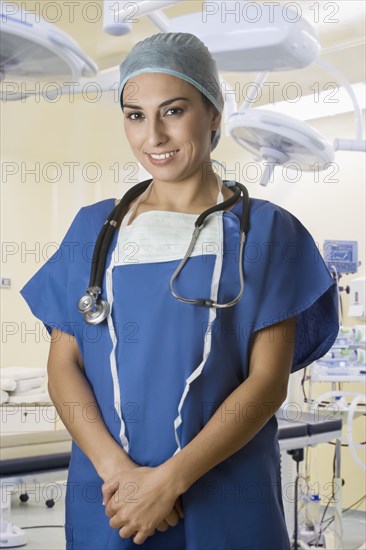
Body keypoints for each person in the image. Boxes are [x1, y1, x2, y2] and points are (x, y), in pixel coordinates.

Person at [20, 32, 339, 550]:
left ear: (213, 113)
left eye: (173, 110)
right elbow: (64, 368)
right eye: (135, 114)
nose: (154, 136)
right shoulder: (93, 230)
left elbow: (265, 386)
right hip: (112, 499)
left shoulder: (268, 234)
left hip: (225, 496)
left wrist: (168, 482)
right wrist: (122, 477)